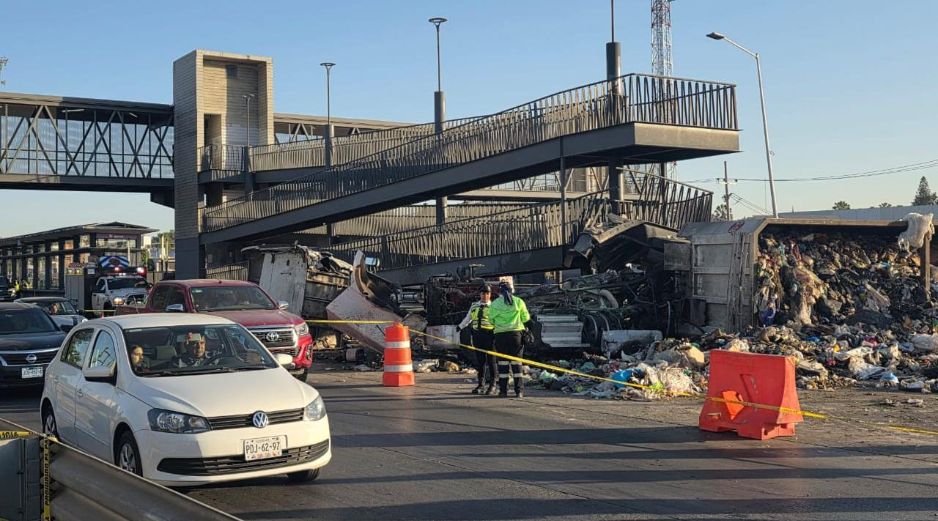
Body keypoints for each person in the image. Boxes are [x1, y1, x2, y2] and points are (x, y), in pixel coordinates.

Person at [488, 281, 532, 398]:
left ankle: (503, 391)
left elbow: (491, 320)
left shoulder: (495, 303)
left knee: (502, 363)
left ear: (500, 292)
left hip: (500, 336)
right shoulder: (519, 301)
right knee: (516, 363)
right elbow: (526, 318)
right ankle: (519, 391)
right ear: (511, 290)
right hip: (516, 336)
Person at [458, 284, 498, 395]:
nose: (485, 296)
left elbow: (498, 321)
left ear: (490, 295)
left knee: (492, 361)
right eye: (483, 293)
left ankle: (493, 385)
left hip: (490, 336)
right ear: (480, 294)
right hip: (477, 336)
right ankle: (481, 384)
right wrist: (460, 326)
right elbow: (468, 318)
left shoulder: (494, 307)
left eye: (487, 293)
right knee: (480, 362)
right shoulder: (474, 306)